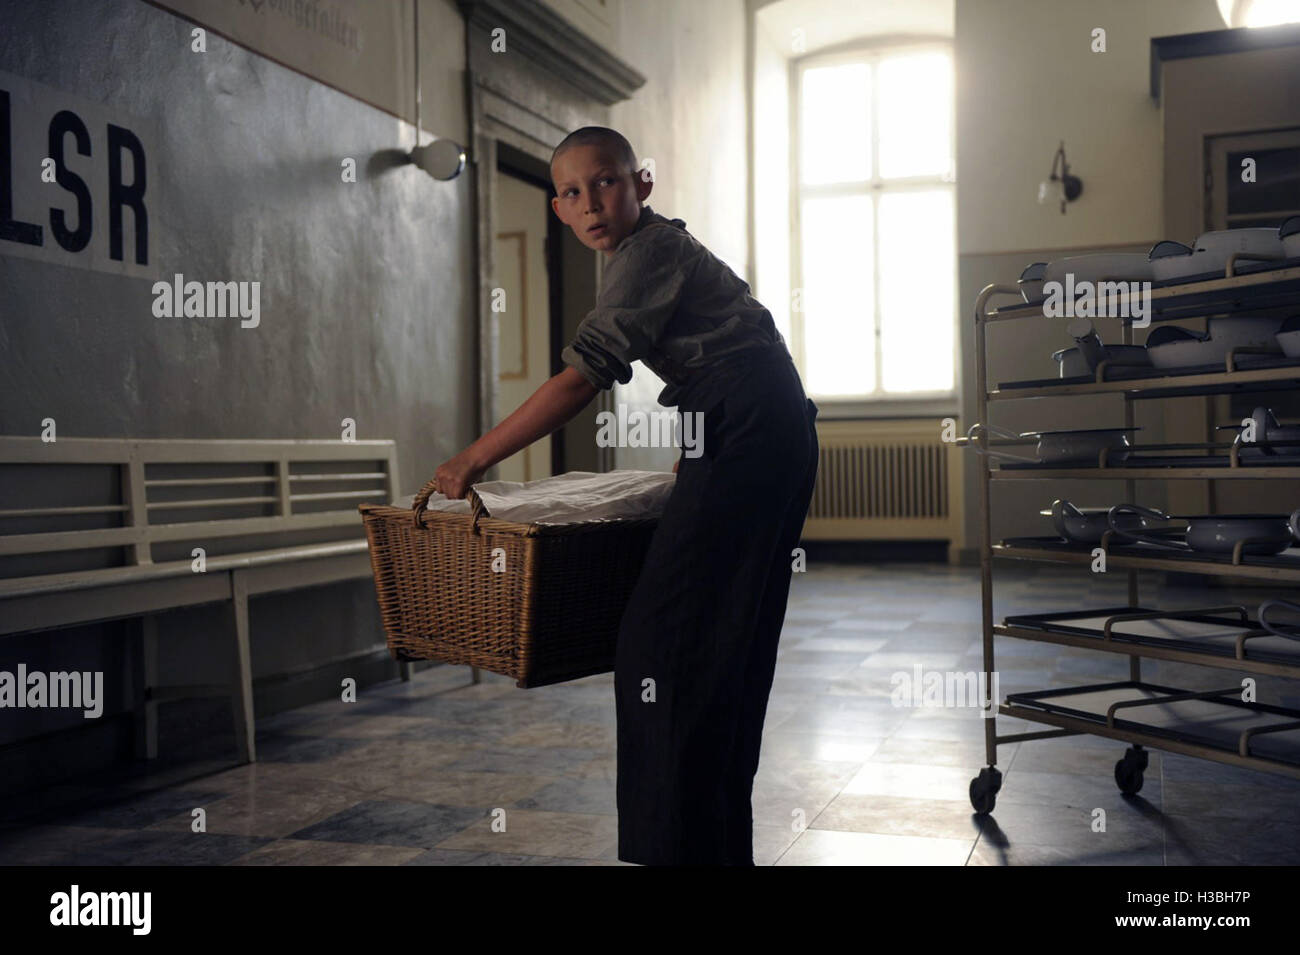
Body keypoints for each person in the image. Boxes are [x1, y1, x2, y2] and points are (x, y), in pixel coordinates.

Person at [429, 126, 819, 866]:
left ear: (640, 184)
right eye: (573, 192)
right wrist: (696, 445)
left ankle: (674, 847)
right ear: (558, 209)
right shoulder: (651, 253)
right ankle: (710, 845)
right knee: (724, 634)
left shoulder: (645, 253)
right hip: (763, 419)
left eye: (605, 181)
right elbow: (730, 346)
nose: (591, 203)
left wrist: (475, 456)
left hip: (753, 423)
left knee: (661, 639)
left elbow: (582, 378)